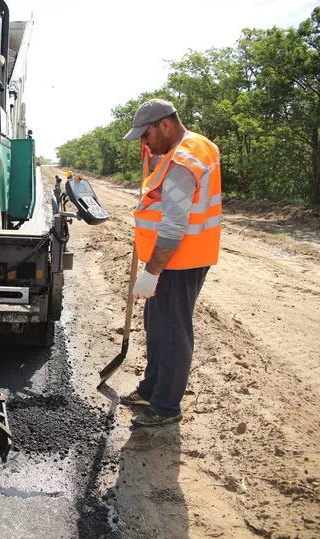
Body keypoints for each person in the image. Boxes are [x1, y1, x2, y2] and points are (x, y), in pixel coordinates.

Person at [119, 99, 222, 427]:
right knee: (157, 326)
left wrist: (151, 273)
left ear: (165, 124)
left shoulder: (184, 158)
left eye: (145, 134)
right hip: (172, 258)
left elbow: (175, 223)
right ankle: (152, 388)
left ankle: (166, 407)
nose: (143, 142)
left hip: (180, 259)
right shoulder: (178, 152)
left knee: (173, 332)